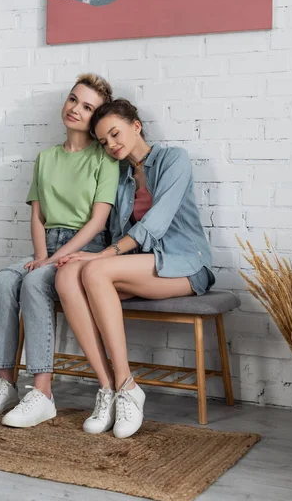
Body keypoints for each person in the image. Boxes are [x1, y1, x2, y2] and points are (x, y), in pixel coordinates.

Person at [55, 98, 215, 438]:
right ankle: (108, 389)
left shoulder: (174, 160)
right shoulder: (121, 178)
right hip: (143, 265)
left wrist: (101, 258)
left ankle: (128, 385)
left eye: (115, 134)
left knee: (96, 270)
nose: (111, 145)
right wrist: (83, 254)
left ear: (136, 125)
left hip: (185, 263)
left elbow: (154, 225)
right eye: (104, 141)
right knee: (68, 274)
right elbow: (115, 232)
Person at [0, 74, 119, 428]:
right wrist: (42, 254)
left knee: (35, 282)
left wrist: (52, 260)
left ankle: (42, 393)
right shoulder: (46, 157)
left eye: (87, 107)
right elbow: (37, 215)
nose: (76, 109)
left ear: (96, 118)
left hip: (84, 249)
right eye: (73, 100)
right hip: (47, 247)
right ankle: (5, 382)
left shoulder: (105, 160)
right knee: (2, 281)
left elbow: (97, 223)